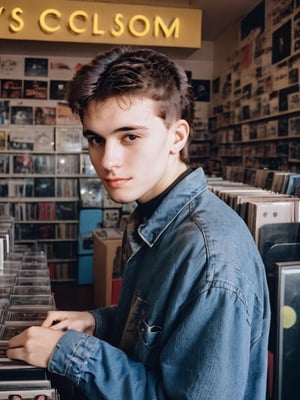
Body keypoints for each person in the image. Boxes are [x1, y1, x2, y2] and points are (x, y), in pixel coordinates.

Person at [7, 47, 270, 399]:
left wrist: (67, 353)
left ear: (177, 137)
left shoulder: (210, 256)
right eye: (95, 139)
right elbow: (161, 329)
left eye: (130, 136)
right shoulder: (156, 216)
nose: (107, 161)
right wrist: (97, 321)